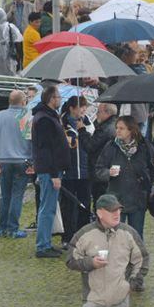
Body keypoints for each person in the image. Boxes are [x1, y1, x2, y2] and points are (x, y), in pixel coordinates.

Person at [94, 116, 154, 243]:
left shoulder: (144, 146)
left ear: (131, 130)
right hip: (116, 199)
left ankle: (137, 256)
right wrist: (108, 173)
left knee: (136, 236)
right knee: (114, 236)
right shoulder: (111, 146)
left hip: (138, 199)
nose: (118, 131)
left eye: (122, 128)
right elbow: (98, 170)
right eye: (117, 128)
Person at [0, 90, 32, 239]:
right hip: (22, 161)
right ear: (23, 102)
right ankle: (13, 228)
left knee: (5, 195)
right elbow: (32, 141)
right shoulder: (26, 117)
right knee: (17, 195)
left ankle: (2, 227)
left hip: (3, 161)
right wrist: (32, 162)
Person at [31, 84, 68, 258]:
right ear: (52, 99)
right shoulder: (44, 119)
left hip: (52, 169)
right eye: (58, 97)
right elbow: (46, 149)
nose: (60, 99)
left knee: (50, 207)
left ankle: (46, 242)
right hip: (49, 170)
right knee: (47, 208)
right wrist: (54, 174)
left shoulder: (49, 116)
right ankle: (42, 245)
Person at [61, 96, 92, 246]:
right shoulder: (62, 123)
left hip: (85, 171)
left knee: (84, 204)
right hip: (69, 171)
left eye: (85, 106)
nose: (84, 109)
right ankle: (68, 236)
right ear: (72, 108)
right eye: (81, 106)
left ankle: (83, 235)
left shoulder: (88, 123)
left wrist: (83, 130)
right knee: (68, 205)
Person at [87, 103, 117, 204]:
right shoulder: (116, 125)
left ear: (107, 113)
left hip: (101, 169)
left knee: (101, 201)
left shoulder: (104, 129)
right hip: (110, 169)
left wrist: (82, 131)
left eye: (99, 112)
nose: (96, 114)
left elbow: (90, 146)